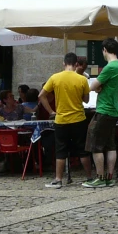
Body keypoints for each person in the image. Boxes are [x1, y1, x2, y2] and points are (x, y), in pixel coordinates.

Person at [39, 52, 93, 188]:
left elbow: (41, 95)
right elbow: (86, 100)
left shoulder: (55, 78)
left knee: (61, 150)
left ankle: (58, 179)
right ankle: (89, 177)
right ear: (76, 64)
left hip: (61, 119)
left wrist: (51, 111)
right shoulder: (81, 79)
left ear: (64, 63)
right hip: (79, 118)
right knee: (82, 149)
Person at [83, 38, 118, 188]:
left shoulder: (110, 67)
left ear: (105, 50)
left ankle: (100, 177)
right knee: (110, 144)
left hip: (104, 109)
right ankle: (109, 177)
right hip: (114, 109)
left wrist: (97, 87)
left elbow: (93, 86)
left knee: (95, 143)